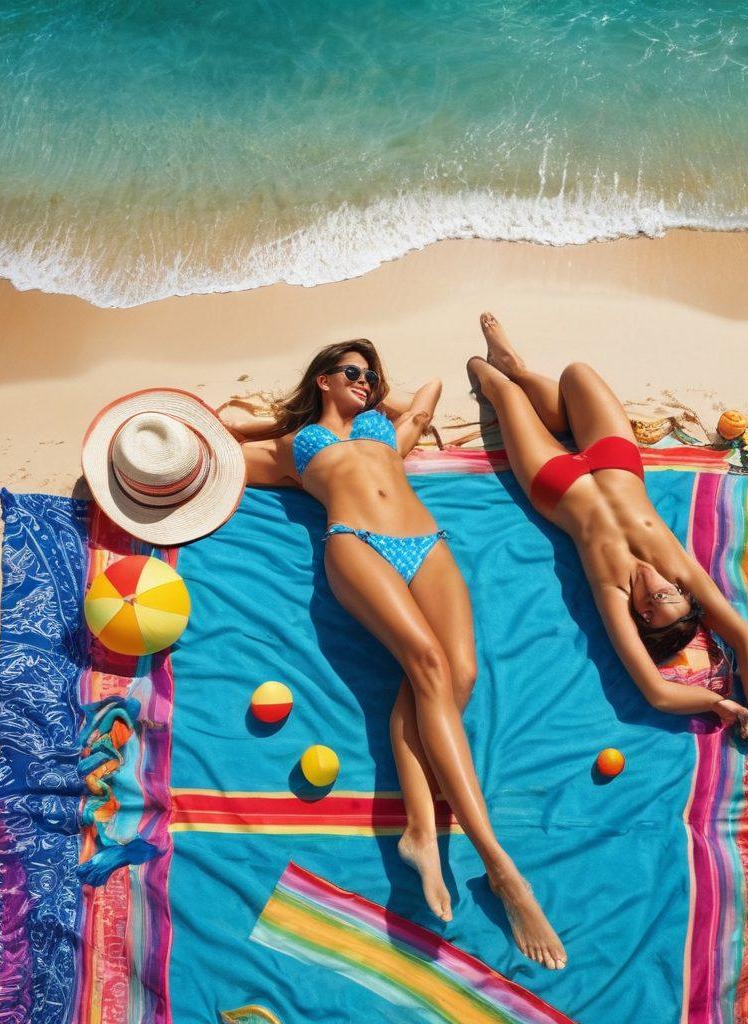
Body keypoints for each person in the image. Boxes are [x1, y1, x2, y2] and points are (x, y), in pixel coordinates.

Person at [218, 339, 567, 970]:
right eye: (352, 373)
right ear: (323, 378)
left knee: (456, 675)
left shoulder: (388, 429)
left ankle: (419, 831)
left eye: (371, 376)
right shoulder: (292, 450)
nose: (367, 382)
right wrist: (284, 417)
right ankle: (498, 863)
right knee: (429, 668)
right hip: (357, 543)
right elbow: (219, 445)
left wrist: (376, 397)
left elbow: (431, 390)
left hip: (425, 541)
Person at [467, 313, 748, 744]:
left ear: (642, 615)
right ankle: (516, 364)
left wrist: (715, 702)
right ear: (682, 592)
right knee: (577, 374)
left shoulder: (615, 594)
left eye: (652, 605)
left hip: (555, 483)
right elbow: (740, 635)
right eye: (668, 595)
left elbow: (657, 693)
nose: (655, 591)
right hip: (616, 461)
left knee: (497, 388)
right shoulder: (679, 568)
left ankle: (507, 373)